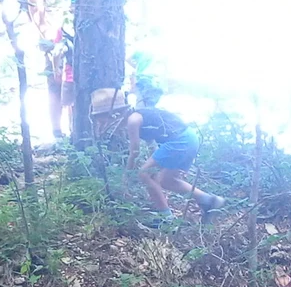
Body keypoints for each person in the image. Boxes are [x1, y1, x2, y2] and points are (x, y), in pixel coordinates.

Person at [90, 88, 227, 223]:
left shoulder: (133, 120)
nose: (104, 124)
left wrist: (127, 176)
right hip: (189, 138)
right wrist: (153, 167)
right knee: (167, 180)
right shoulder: (139, 116)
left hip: (180, 140)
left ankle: (165, 217)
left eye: (104, 120)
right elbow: (152, 143)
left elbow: (135, 152)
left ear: (114, 114)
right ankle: (209, 201)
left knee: (143, 173)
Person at [25, 0, 78, 141]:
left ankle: (76, 132)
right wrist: (44, 30)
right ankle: (57, 132)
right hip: (54, 30)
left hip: (76, 31)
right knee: (56, 81)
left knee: (74, 81)